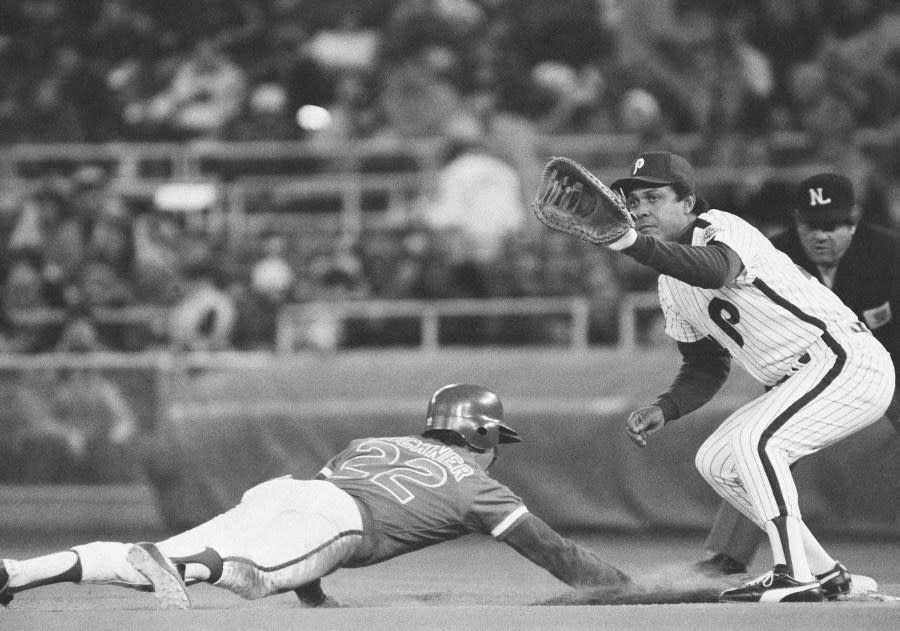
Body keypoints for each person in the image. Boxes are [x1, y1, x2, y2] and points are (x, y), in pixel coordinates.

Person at [0, 384, 632, 609]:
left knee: (155, 557)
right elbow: (556, 552)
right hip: (345, 518)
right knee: (251, 578)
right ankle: (182, 569)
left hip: (292, 490)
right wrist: (631, 589)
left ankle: (18, 571)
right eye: (498, 437)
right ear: (482, 433)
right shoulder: (480, 486)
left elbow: (301, 514)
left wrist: (316, 591)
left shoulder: (373, 441)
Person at [580, 151, 893, 602]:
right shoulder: (670, 284)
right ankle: (825, 573)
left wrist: (631, 244)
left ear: (688, 203)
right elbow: (705, 365)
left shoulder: (721, 227)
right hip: (805, 377)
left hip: (845, 360)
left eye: (654, 196)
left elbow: (714, 270)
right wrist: (665, 407)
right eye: (633, 201)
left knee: (756, 443)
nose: (640, 209)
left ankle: (792, 573)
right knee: (718, 460)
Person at [696, 172, 900, 577]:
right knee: (761, 442)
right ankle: (727, 555)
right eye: (812, 226)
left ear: (854, 220)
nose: (822, 236)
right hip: (805, 367)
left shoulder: (889, 252)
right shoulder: (774, 253)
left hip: (889, 360)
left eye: (834, 224)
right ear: (796, 222)